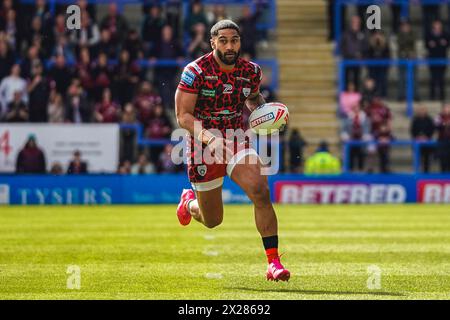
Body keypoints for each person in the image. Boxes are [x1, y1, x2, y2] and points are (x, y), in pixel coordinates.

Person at [175, 20, 290, 281]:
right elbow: (183, 116)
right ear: (213, 42)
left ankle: (273, 263)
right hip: (202, 146)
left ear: (240, 42)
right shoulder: (195, 71)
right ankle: (188, 203)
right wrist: (209, 138)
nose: (230, 45)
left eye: (234, 40)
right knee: (212, 220)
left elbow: (252, 98)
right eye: (223, 40)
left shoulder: (251, 71)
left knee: (260, 190)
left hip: (236, 139)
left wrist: (267, 114)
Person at [340, 103, 371, 172]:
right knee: (351, 155)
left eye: (357, 108)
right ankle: (350, 169)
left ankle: (361, 169)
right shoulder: (347, 117)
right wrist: (345, 135)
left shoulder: (365, 117)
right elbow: (344, 129)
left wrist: (365, 135)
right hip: (351, 140)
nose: (356, 109)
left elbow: (367, 128)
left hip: (361, 140)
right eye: (355, 108)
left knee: (361, 155)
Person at [340, 15, 368, 91]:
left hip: (357, 60)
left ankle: (356, 96)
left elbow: (365, 46)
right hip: (347, 60)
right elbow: (342, 46)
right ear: (351, 23)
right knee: (346, 78)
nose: (356, 24)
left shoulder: (362, 34)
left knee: (357, 78)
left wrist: (362, 55)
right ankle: (345, 94)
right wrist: (346, 55)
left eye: (357, 22)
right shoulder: (346, 34)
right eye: (354, 22)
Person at [425, 20, 449, 101]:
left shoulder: (445, 34)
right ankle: (432, 96)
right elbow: (427, 45)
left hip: (442, 60)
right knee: (433, 79)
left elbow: (446, 44)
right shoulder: (429, 35)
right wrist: (439, 44)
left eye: (439, 26)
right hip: (432, 60)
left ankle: (442, 96)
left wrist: (436, 44)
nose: (437, 28)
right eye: (436, 26)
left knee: (441, 79)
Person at [410, 105, 435, 173]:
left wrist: (426, 137)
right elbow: (412, 130)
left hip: (427, 143)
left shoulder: (429, 120)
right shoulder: (415, 120)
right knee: (417, 159)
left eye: (423, 110)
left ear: (426, 111)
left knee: (427, 159)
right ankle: (417, 173)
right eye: (420, 110)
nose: (422, 112)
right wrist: (417, 137)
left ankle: (426, 173)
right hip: (417, 142)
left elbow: (432, 129)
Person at [435, 105, 450, 173]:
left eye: (448, 108)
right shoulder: (439, 117)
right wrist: (445, 124)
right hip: (442, 141)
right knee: (443, 161)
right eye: (446, 108)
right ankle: (443, 176)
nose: (447, 110)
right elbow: (437, 125)